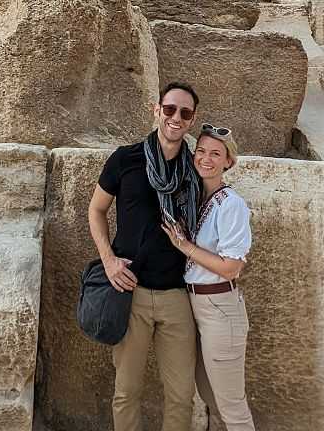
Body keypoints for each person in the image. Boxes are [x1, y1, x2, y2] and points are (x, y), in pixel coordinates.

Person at [88, 81, 201, 431]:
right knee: (126, 392)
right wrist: (108, 260)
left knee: (182, 396)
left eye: (185, 112)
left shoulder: (196, 169)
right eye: (169, 109)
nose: (176, 118)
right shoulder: (126, 159)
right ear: (157, 110)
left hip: (176, 294)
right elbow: (96, 211)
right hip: (130, 291)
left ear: (192, 119)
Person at [162, 124, 255, 431]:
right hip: (195, 306)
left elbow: (232, 267)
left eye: (216, 154)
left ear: (229, 161)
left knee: (231, 405)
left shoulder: (232, 205)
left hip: (220, 308)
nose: (206, 159)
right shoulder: (196, 198)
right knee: (209, 394)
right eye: (201, 151)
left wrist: (185, 247)